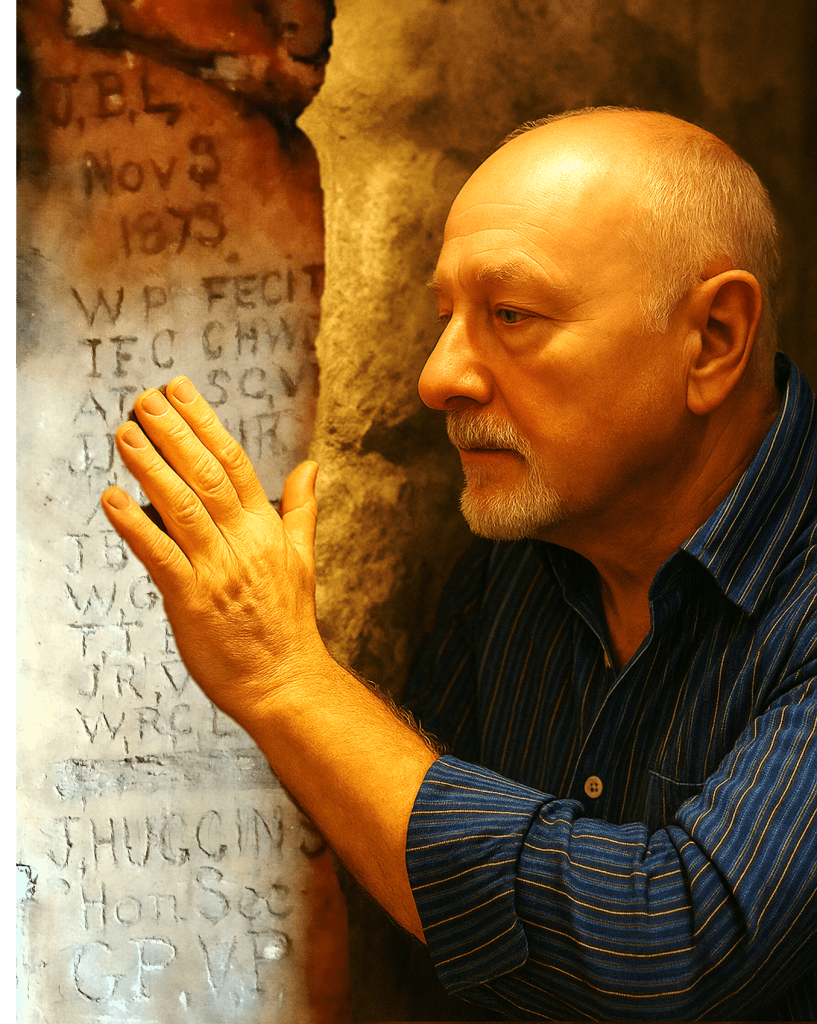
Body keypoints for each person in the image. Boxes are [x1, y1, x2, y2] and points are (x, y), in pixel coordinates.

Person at [101, 107, 816, 1020]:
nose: (439, 377)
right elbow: (424, 920)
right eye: (447, 316)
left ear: (713, 338)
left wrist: (284, 675)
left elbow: (667, 951)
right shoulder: (518, 560)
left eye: (511, 314)